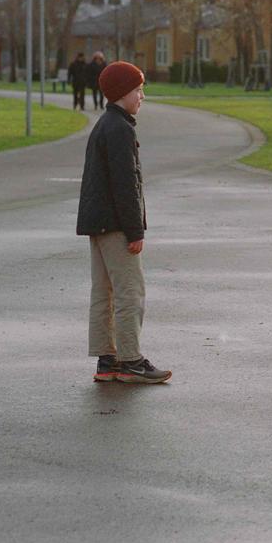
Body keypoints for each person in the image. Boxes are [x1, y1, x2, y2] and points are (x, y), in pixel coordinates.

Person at [77, 60, 170, 384]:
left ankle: (108, 359)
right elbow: (126, 185)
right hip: (116, 224)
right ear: (121, 94)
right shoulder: (120, 130)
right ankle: (130, 359)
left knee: (104, 291)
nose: (142, 96)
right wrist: (135, 230)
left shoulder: (105, 125)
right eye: (138, 90)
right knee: (130, 291)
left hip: (98, 223)